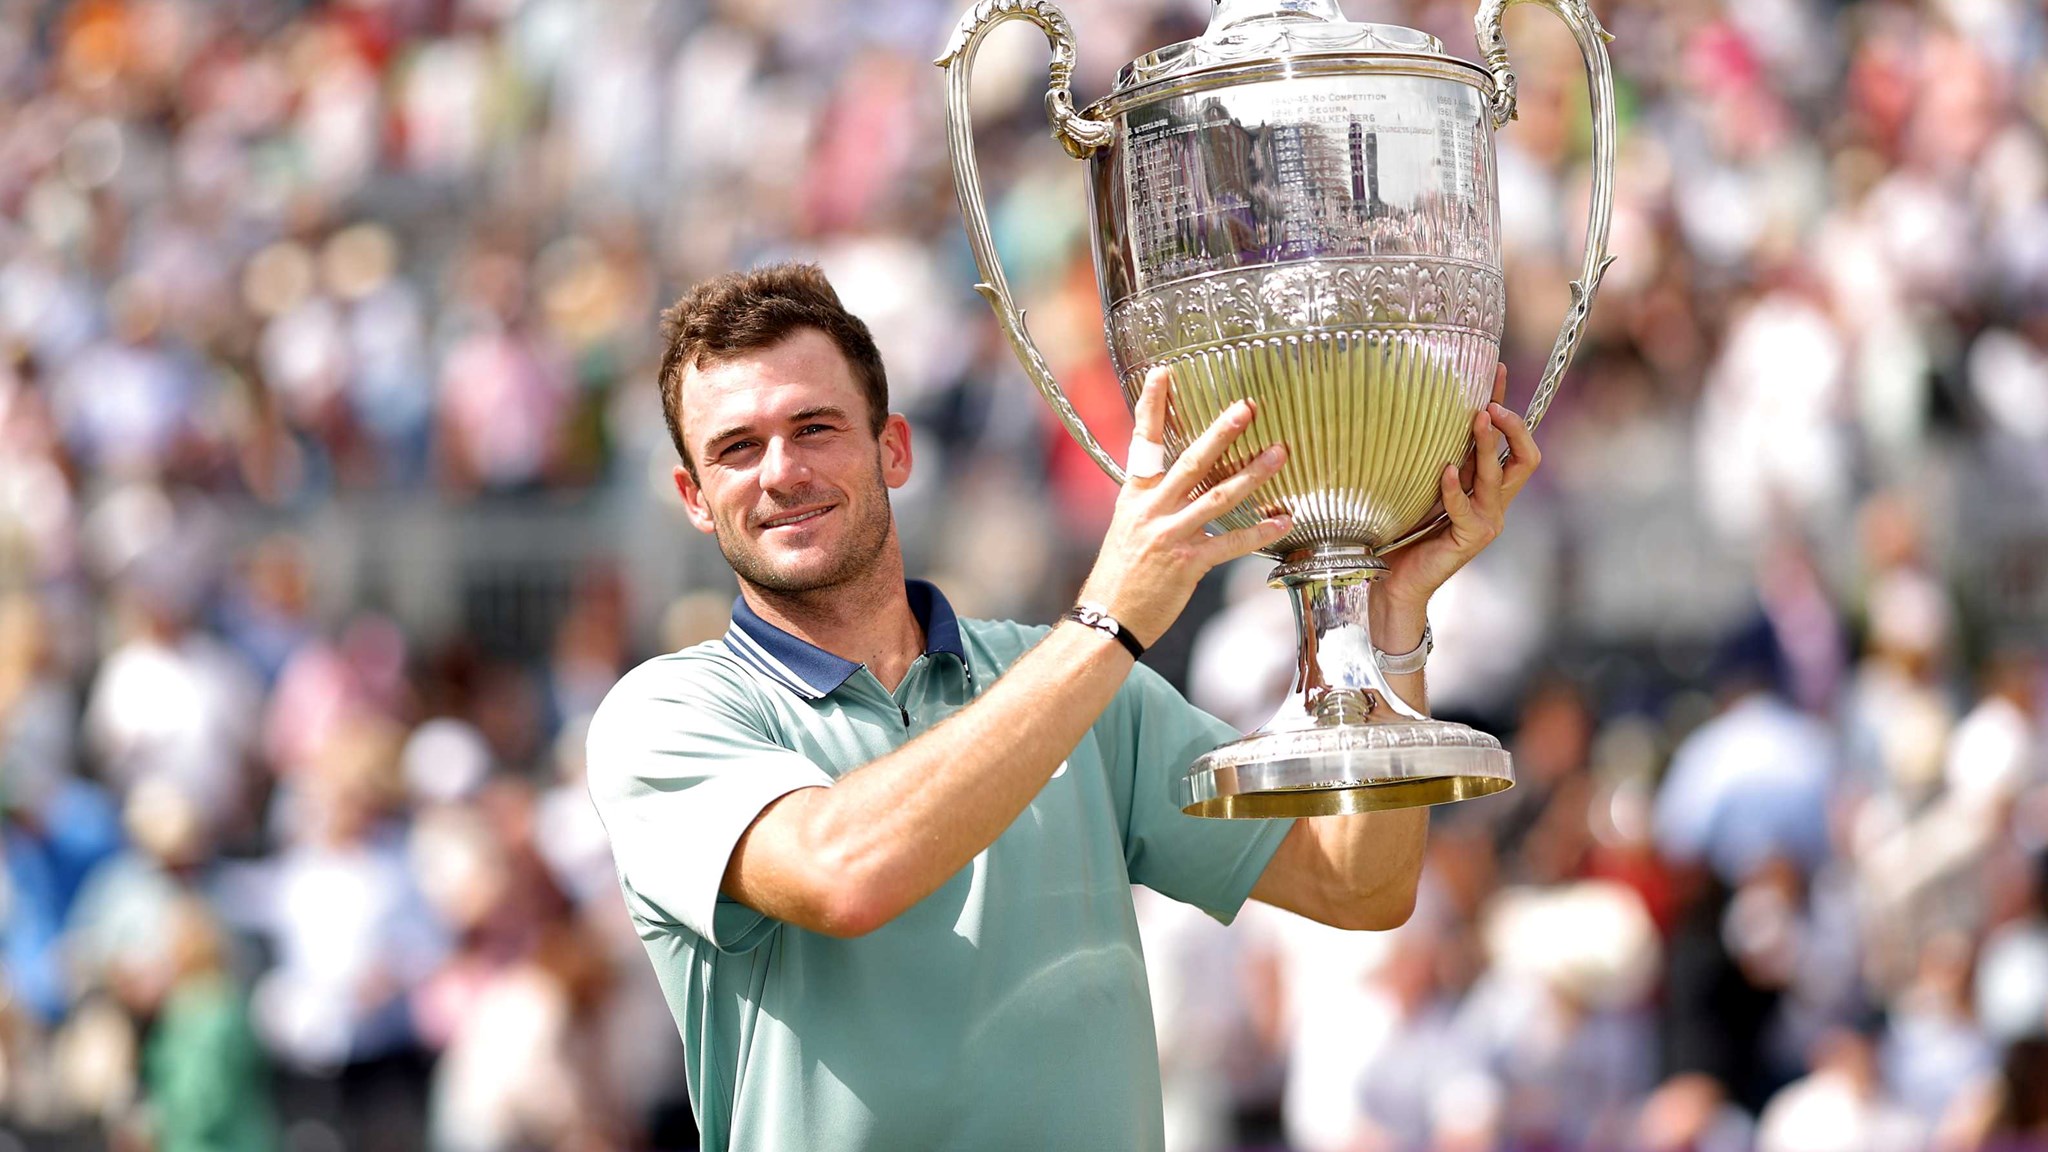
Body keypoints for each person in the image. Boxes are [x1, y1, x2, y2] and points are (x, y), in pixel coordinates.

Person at [584, 262, 1540, 1150]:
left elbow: (1359, 885)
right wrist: (1107, 622)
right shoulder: (665, 714)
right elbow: (847, 874)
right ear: (696, 497)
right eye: (736, 449)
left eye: (815, 428)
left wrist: (1385, 621)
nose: (780, 471)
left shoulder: (1067, 675)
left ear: (895, 448)